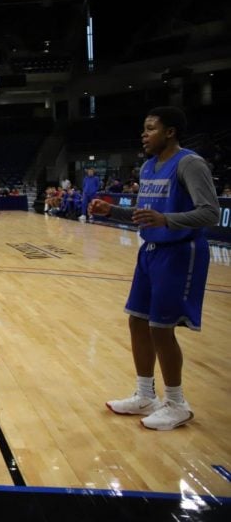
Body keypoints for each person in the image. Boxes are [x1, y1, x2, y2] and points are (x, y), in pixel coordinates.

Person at [88, 106, 219, 431]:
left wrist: (168, 221)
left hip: (180, 252)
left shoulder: (189, 163)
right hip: (150, 250)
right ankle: (145, 395)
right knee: (137, 321)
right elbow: (147, 215)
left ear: (170, 132)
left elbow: (210, 213)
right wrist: (112, 211)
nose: (143, 135)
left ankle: (176, 403)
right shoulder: (148, 167)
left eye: (150, 129)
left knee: (162, 328)